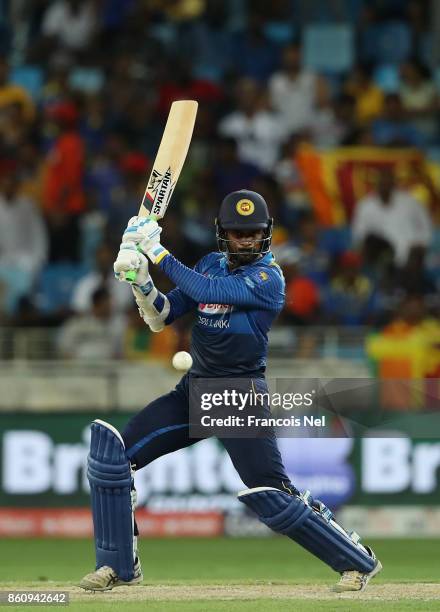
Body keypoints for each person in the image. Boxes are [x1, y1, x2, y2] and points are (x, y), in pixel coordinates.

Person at [79, 190, 382, 593]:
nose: (246, 241)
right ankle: (117, 566)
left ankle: (356, 561)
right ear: (223, 233)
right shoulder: (209, 265)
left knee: (273, 495)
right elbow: (163, 317)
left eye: (253, 233)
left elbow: (210, 294)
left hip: (237, 397)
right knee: (112, 459)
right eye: (239, 233)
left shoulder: (268, 278)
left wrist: (155, 250)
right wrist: (141, 281)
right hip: (194, 390)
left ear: (265, 235)